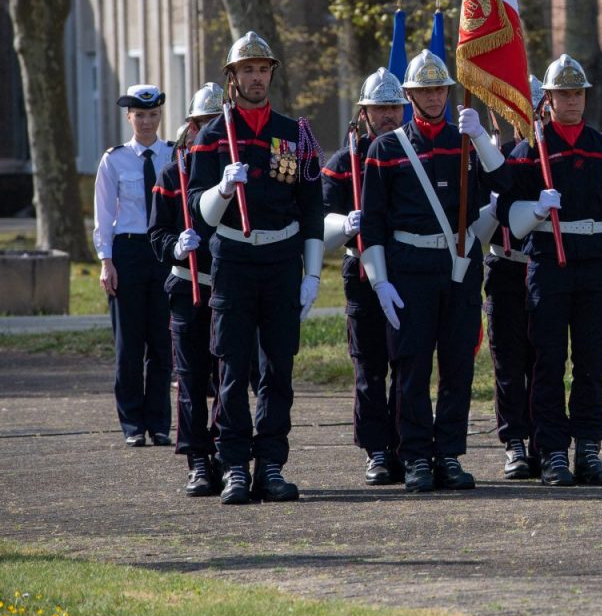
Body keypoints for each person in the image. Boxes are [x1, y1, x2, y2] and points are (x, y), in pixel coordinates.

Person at [358, 50, 513, 493]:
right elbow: (373, 222)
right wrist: (380, 280)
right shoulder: (387, 148)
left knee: (457, 365)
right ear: (410, 96)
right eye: (424, 90)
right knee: (411, 367)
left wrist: (482, 139)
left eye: (439, 88)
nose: (433, 96)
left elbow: (505, 186)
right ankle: (415, 457)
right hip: (408, 268)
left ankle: (448, 453)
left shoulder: (464, 139)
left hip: (459, 266)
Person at [188, 32, 326, 505]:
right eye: (247, 70)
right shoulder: (211, 137)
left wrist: (312, 274)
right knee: (231, 368)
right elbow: (195, 210)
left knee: (277, 371)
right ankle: (234, 467)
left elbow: (310, 207)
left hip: (282, 260)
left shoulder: (294, 133)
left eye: (262, 69)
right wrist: (222, 191)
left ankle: (270, 464)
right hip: (234, 260)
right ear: (232, 77)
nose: (255, 77)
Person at [504, 53, 602, 487]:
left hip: (596, 266)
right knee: (548, 362)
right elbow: (508, 211)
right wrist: (536, 210)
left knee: (591, 362)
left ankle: (589, 450)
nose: (572, 101)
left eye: (577, 93)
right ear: (550, 99)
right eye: (563, 94)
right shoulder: (530, 150)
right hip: (549, 264)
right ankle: (554, 452)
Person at [321, 68, 407, 486]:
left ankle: (406, 446)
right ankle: (376, 449)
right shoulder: (343, 162)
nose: (388, 115)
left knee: (406, 364)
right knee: (370, 367)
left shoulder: (413, 154)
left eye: (394, 107)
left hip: (406, 272)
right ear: (365, 111)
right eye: (380, 108)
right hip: (360, 273)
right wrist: (343, 223)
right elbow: (319, 221)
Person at [148, 84, 225, 495]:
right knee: (192, 378)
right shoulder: (171, 171)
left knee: (229, 377)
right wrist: (175, 245)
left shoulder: (234, 168)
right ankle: (197, 458)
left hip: (231, 286)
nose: (207, 131)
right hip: (186, 285)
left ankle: (226, 452)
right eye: (202, 123)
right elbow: (156, 232)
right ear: (190, 126)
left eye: (216, 124)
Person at [93, 83, 175, 447]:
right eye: (140, 115)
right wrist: (105, 262)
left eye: (153, 115)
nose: (146, 122)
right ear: (129, 116)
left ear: (160, 116)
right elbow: (104, 215)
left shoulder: (174, 156)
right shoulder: (114, 160)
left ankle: (158, 423)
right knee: (129, 346)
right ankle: (131, 424)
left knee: (162, 343)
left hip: (163, 253)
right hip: (127, 252)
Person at [478, 84, 540, 480]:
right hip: (503, 268)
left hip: (543, 270)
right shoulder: (492, 159)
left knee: (543, 361)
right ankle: (514, 442)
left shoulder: (546, 158)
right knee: (508, 362)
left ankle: (543, 440)